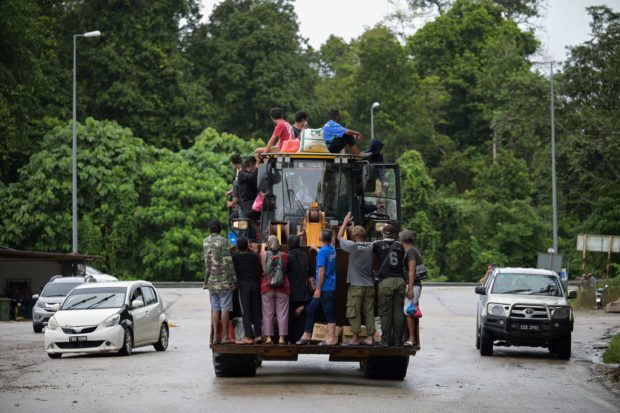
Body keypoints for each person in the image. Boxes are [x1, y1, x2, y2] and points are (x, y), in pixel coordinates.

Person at [338, 212, 375, 346]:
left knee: (354, 311)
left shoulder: (352, 247)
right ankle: (370, 338)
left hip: (356, 286)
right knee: (369, 312)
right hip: (369, 286)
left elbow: (339, 237)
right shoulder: (371, 247)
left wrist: (345, 222)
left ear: (355, 236)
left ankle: (354, 339)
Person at [296, 229, 338, 346]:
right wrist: (316, 249)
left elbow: (321, 270)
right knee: (311, 309)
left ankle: (331, 339)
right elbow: (324, 254)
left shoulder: (323, 253)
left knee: (329, 313)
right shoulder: (332, 250)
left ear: (320, 239)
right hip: (328, 287)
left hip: (324, 289)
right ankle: (306, 335)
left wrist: (318, 289)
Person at [203, 219, 237, 344]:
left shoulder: (205, 242)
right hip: (223, 281)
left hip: (212, 281)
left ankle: (214, 337)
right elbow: (228, 262)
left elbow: (207, 263)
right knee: (225, 308)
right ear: (221, 229)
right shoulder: (223, 242)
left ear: (209, 229)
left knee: (215, 308)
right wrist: (233, 280)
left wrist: (206, 280)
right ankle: (224, 337)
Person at [373, 223, 406, 346]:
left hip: (386, 282)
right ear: (394, 234)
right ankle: (397, 340)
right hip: (400, 281)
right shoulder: (400, 245)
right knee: (398, 313)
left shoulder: (377, 244)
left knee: (386, 312)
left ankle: (386, 340)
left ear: (382, 233)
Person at [260, 235, 290, 344]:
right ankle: (282, 338)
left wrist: (263, 247)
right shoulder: (284, 255)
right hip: (283, 287)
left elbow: (262, 258)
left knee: (268, 314)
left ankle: (268, 338)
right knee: (282, 314)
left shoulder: (264, 254)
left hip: (267, 287)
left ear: (268, 243)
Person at [232, 237, 262, 344]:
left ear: (237, 247)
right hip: (254, 286)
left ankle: (248, 336)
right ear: (247, 246)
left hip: (243, 287)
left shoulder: (235, 257)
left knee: (246, 312)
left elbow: (234, 253)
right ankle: (258, 335)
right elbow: (256, 253)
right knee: (256, 310)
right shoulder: (254, 256)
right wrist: (252, 249)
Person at [286, 234, 311, 343]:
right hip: (304, 293)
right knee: (301, 318)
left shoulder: (289, 256)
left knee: (291, 318)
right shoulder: (304, 255)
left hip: (292, 293)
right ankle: (301, 338)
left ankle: (291, 339)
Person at [400, 230, 422, 350]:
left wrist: (410, 289)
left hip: (412, 285)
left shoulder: (411, 252)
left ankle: (412, 339)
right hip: (413, 285)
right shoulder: (415, 250)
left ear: (403, 241)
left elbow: (412, 270)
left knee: (409, 311)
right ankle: (411, 338)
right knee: (410, 310)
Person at [237, 156, 260, 239]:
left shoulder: (250, 174)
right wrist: (257, 166)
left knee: (252, 228)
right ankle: (241, 243)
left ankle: (252, 241)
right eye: (254, 166)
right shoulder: (242, 174)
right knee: (244, 227)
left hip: (252, 203)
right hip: (245, 204)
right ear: (251, 164)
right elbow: (251, 177)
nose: (255, 168)